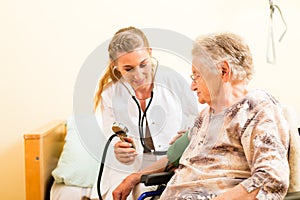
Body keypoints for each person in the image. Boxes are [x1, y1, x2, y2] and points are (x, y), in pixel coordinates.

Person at [112, 32, 290, 200]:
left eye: (197, 75)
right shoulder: (205, 116)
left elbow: (271, 179)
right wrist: (135, 177)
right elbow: (173, 159)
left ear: (223, 71)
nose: (192, 86)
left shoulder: (255, 108)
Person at [94, 27, 199, 199]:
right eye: (128, 69)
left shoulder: (176, 81)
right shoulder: (110, 94)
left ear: (150, 53)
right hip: (128, 166)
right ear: (115, 66)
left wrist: (185, 136)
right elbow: (109, 134)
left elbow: (200, 120)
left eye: (143, 64)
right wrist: (118, 149)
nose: (139, 75)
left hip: (170, 162)